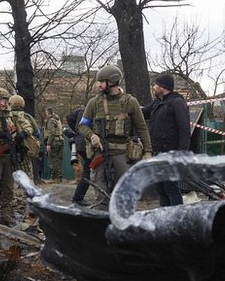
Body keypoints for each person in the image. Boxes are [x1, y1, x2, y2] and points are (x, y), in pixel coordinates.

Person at [77, 65, 152, 197]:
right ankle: (103, 216)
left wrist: (147, 151)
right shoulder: (94, 103)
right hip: (100, 153)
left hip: (123, 154)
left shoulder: (131, 102)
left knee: (125, 193)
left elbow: (142, 128)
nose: (99, 85)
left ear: (112, 81)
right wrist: (92, 136)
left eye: (101, 82)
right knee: (101, 192)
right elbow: (82, 125)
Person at [0, 88, 33, 227]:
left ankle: (5, 214)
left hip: (9, 155)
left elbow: (28, 127)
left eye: (4, 100)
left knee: (9, 187)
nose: (1, 102)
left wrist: (22, 134)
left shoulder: (13, 116)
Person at [145, 73, 190, 206]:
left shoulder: (177, 103)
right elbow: (142, 112)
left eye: (155, 85)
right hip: (157, 153)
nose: (153, 87)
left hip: (170, 153)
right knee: (160, 188)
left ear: (163, 87)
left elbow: (185, 131)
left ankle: (177, 218)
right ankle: (164, 217)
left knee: (171, 188)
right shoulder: (158, 102)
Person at [8, 95, 41, 182]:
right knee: (27, 172)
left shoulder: (8, 115)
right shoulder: (27, 116)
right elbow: (37, 133)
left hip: (9, 148)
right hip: (25, 148)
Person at [63, 109, 91, 206]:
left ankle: (78, 197)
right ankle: (78, 198)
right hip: (85, 143)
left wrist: (76, 131)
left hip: (78, 142)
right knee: (88, 171)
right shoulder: (90, 111)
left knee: (87, 170)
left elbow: (69, 117)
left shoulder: (81, 111)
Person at [42, 107, 64, 180]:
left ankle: (54, 177)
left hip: (54, 142)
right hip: (60, 141)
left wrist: (48, 144)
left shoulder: (51, 121)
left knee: (53, 159)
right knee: (59, 159)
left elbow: (52, 132)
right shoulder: (58, 119)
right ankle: (59, 176)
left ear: (48, 112)